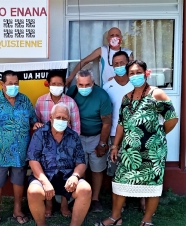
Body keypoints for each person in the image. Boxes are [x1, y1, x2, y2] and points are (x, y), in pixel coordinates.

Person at [97, 60, 178, 226]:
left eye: (138, 72)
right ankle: (115, 218)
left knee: (152, 186)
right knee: (119, 182)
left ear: (146, 73)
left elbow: (172, 119)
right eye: (132, 73)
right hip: (128, 150)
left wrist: (157, 135)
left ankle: (147, 221)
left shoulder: (157, 94)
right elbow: (121, 123)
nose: (135, 76)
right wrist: (115, 145)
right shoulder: (126, 98)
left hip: (153, 152)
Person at [0, 70, 37, 226]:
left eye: (16, 83)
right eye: (10, 84)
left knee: (18, 181)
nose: (14, 86)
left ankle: (17, 210)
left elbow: (33, 120)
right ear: (2, 84)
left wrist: (36, 124)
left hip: (20, 152)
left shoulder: (24, 100)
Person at [27, 103, 91, 226]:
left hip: (67, 177)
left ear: (69, 120)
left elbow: (81, 162)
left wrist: (75, 176)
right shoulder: (40, 134)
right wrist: (45, 182)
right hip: (44, 176)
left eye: (64, 118)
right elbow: (33, 160)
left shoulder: (73, 136)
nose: (61, 121)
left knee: (85, 189)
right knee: (33, 191)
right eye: (58, 117)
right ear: (51, 118)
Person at [34, 72, 80, 217]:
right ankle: (49, 204)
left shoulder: (70, 102)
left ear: (64, 85)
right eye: (53, 83)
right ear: (48, 84)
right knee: (48, 170)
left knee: (67, 171)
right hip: (47, 144)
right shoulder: (40, 101)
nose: (57, 86)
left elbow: (76, 128)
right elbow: (36, 123)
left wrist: (70, 146)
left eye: (60, 84)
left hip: (68, 144)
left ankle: (64, 205)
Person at [66, 70, 112, 213]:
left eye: (87, 84)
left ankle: (95, 199)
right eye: (81, 84)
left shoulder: (102, 95)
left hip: (96, 136)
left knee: (97, 168)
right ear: (76, 83)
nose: (84, 88)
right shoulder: (72, 92)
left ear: (93, 83)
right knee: (80, 167)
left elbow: (107, 122)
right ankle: (81, 196)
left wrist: (102, 143)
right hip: (77, 136)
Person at [66, 27, 133, 87]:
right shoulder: (102, 50)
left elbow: (133, 71)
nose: (114, 37)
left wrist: (116, 79)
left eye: (117, 35)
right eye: (112, 35)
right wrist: (70, 77)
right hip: (106, 89)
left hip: (125, 87)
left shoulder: (128, 53)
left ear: (121, 38)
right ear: (108, 39)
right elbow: (84, 61)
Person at [102, 51, 134, 177]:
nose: (119, 66)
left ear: (128, 64)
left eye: (122, 63)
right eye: (116, 64)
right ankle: (116, 196)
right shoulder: (107, 86)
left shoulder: (136, 84)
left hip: (134, 134)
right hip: (113, 135)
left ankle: (137, 197)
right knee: (114, 169)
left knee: (134, 167)